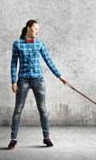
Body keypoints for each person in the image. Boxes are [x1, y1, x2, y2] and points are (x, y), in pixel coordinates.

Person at [8, 19, 67, 149]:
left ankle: (46, 138)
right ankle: (13, 139)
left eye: (38, 30)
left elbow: (48, 61)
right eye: (35, 29)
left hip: (38, 80)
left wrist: (59, 76)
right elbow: (13, 64)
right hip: (22, 80)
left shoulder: (39, 44)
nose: (37, 32)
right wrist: (13, 81)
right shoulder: (17, 44)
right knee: (18, 110)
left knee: (43, 109)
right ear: (28, 28)